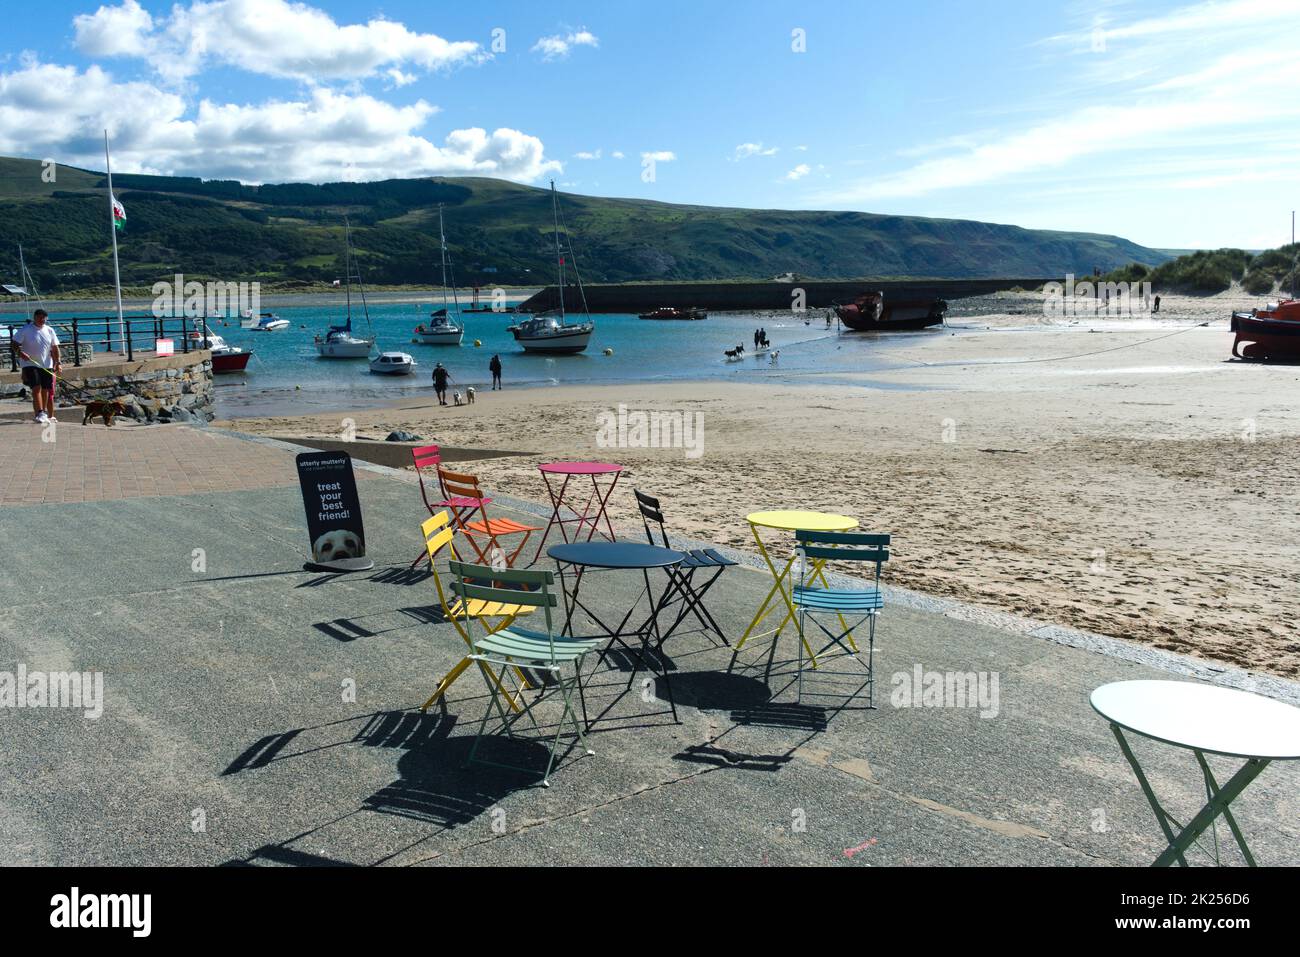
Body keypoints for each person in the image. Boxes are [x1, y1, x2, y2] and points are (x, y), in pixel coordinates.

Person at [12, 308, 60, 424]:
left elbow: (55, 347)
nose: (42, 320)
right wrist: (20, 353)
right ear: (35, 318)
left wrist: (58, 362)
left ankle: (43, 412)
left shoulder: (49, 330)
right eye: (39, 318)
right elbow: (14, 343)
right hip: (29, 363)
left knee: (46, 389)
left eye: (44, 318)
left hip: (46, 364)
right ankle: (40, 413)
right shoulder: (26, 329)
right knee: (36, 387)